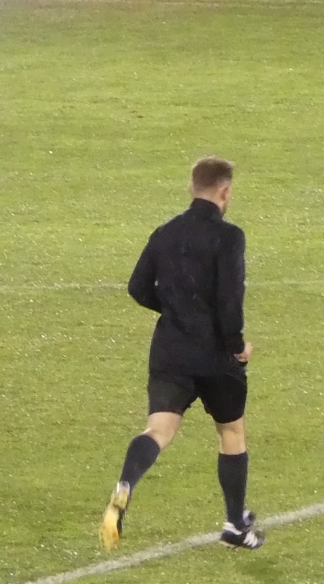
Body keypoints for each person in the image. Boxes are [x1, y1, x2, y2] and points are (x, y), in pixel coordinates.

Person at [100, 156, 262, 552]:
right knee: (231, 431)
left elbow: (137, 287)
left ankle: (126, 484)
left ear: (192, 188)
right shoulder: (229, 237)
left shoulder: (165, 233)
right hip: (214, 356)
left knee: (157, 430)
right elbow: (229, 300)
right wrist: (237, 345)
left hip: (170, 350)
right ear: (225, 192)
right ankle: (235, 524)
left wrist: (175, 310)